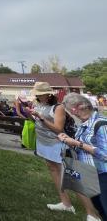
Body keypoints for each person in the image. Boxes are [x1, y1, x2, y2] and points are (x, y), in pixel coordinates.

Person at [59, 93, 107, 221]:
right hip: (90, 173)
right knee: (100, 208)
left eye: (72, 111)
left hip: (102, 174)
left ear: (80, 107)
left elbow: (105, 155)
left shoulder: (101, 124)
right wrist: (68, 141)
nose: (73, 114)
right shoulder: (84, 124)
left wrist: (78, 143)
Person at [29, 82, 75, 214]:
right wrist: (30, 115)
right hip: (43, 141)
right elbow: (37, 122)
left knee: (60, 171)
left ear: (48, 94)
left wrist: (41, 118)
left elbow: (58, 129)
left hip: (55, 143)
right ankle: (64, 201)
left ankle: (68, 203)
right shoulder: (39, 104)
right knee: (52, 169)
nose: (37, 96)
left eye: (39, 94)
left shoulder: (58, 107)